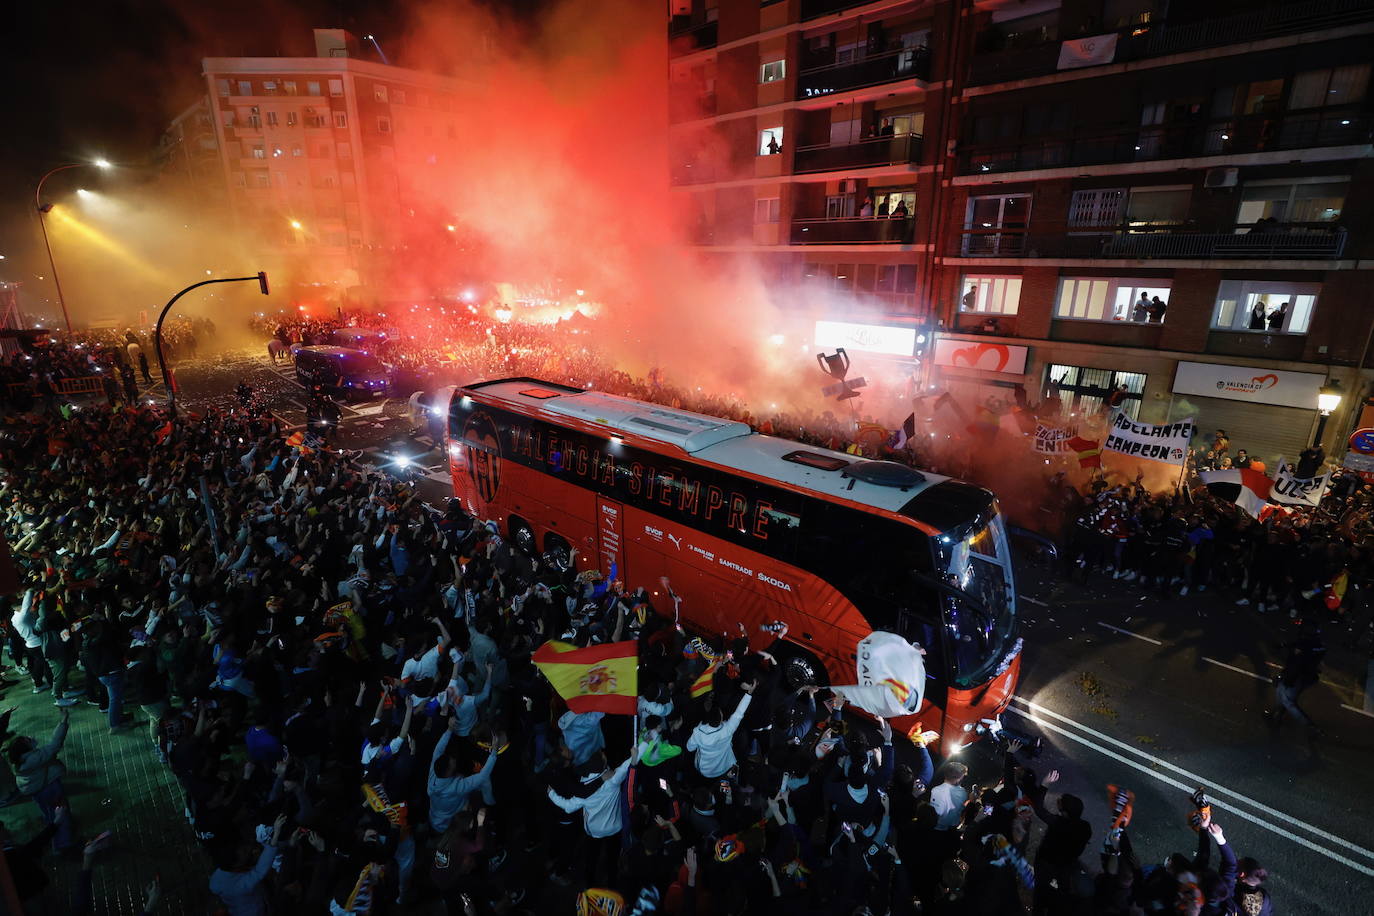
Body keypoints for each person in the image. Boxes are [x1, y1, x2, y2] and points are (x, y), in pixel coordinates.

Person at [6, 707, 77, 853]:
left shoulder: (20, 761)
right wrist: (63, 721)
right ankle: (62, 844)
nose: (31, 738)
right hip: (49, 788)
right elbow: (55, 745)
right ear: (25, 750)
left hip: (38, 791)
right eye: (28, 740)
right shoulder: (34, 758)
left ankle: (59, 831)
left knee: (49, 812)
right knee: (59, 813)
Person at [1264, 626, 1326, 736]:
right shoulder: (1317, 646)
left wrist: (1282, 677)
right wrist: (1283, 646)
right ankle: (1275, 715)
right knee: (1281, 695)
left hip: (1295, 678)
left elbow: (1294, 668)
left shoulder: (1300, 654)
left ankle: (1309, 726)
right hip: (1308, 677)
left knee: (1287, 701)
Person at [929, 761, 968, 830]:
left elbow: (935, 814)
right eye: (962, 776)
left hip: (938, 830)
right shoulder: (963, 792)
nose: (963, 779)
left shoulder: (936, 790)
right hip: (947, 831)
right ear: (957, 778)